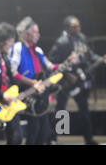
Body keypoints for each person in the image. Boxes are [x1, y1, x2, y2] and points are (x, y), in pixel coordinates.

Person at [48, 15, 106, 145]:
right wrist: (66, 75)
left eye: (78, 26)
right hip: (65, 82)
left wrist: (102, 59)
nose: (78, 28)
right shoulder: (62, 42)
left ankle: (88, 139)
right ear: (67, 28)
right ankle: (55, 138)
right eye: (74, 26)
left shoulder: (82, 39)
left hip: (80, 79)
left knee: (84, 109)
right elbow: (52, 62)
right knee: (61, 110)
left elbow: (89, 55)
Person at [9, 16, 68, 145]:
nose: (38, 34)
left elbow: (50, 67)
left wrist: (66, 63)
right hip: (28, 94)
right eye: (35, 31)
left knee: (44, 131)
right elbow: (12, 72)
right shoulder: (18, 47)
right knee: (34, 129)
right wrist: (32, 83)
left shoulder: (37, 50)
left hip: (40, 95)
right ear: (26, 33)